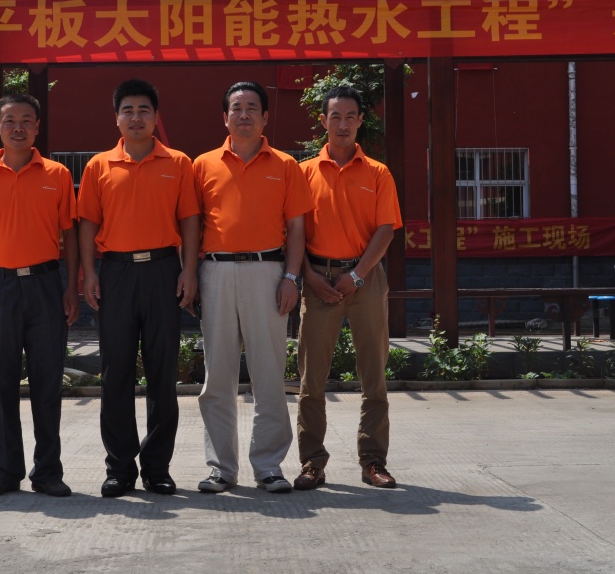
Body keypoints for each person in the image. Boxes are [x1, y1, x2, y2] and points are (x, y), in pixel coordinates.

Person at [0, 93, 80, 498]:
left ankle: (48, 472)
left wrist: (71, 286)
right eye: (10, 120)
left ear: (38, 127)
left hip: (45, 285)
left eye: (27, 120)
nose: (18, 127)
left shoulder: (58, 174)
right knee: (0, 382)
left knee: (47, 380)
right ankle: (5, 471)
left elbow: (70, 235)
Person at [78, 79, 200, 497]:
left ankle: (157, 467)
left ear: (155, 116)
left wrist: (189, 270)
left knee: (163, 372)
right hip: (115, 272)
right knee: (116, 374)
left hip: (164, 271)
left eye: (143, 110)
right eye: (127, 110)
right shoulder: (99, 166)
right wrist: (89, 273)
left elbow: (189, 219)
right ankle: (119, 468)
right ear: (116, 118)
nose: (135, 118)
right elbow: (88, 223)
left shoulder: (178, 163)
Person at [193, 81, 313, 494]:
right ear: (224, 117)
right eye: (236, 107)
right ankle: (220, 468)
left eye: (251, 108)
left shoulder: (286, 165)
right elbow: (191, 225)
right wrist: (190, 274)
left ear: (265, 117)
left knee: (268, 373)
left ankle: (268, 466)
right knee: (218, 376)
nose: (243, 114)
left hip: (268, 272)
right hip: (216, 272)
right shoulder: (203, 165)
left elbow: (297, 229)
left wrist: (292, 278)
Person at [292, 85, 403, 491]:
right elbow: (293, 232)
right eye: (335, 116)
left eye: (350, 116)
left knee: (374, 376)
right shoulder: (303, 172)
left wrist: (356, 275)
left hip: (366, 279)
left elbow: (386, 229)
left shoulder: (377, 172)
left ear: (360, 121)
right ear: (323, 121)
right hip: (318, 280)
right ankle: (312, 463)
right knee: (311, 380)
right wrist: (309, 277)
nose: (342, 124)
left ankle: (373, 461)